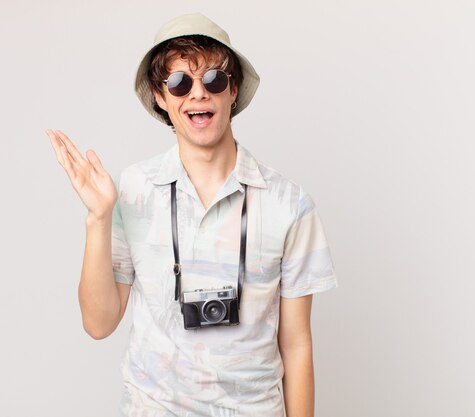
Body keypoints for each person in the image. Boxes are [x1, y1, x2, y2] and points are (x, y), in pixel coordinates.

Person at [47, 12, 338, 417]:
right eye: (180, 82)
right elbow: (99, 324)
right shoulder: (132, 191)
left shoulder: (289, 204)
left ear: (232, 90)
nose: (198, 94)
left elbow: (297, 344)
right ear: (160, 97)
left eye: (214, 80)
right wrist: (98, 218)